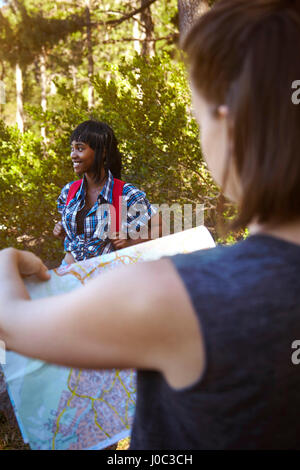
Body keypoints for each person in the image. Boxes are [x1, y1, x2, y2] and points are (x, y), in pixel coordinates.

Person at [1, 0, 300, 450]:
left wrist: (6, 263)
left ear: (228, 124)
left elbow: (16, 324)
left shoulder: (175, 291)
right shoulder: (70, 195)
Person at [53, 120, 161, 265]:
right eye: (72, 149)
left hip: (108, 274)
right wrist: (62, 229)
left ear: (102, 152)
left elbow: (159, 227)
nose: (73, 155)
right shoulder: (69, 191)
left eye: (80, 148)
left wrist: (129, 244)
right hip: (70, 273)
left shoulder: (126, 194)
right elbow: (77, 232)